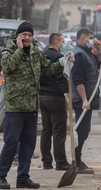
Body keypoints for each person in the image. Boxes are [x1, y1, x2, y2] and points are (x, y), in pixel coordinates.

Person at [0, 21, 71, 189]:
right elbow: (7, 67)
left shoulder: (36, 52)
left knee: (29, 144)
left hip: (32, 106)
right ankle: (0, 175)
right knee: (12, 142)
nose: (27, 38)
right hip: (15, 106)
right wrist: (20, 49)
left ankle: (23, 177)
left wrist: (63, 63)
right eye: (24, 35)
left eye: (29, 35)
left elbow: (48, 69)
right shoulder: (9, 50)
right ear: (18, 36)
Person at [71, 28, 101, 174]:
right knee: (80, 131)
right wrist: (84, 100)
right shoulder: (79, 55)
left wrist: (99, 49)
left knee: (84, 131)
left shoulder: (88, 53)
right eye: (90, 38)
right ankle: (76, 162)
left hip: (90, 98)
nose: (93, 39)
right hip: (82, 100)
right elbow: (78, 80)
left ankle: (78, 160)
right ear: (82, 38)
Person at [39, 33, 71, 171]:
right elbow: (62, 78)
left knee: (46, 130)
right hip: (55, 97)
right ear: (57, 42)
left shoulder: (42, 54)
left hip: (42, 96)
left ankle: (46, 162)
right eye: (62, 41)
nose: (63, 44)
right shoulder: (59, 57)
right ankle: (61, 161)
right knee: (59, 130)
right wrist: (67, 91)